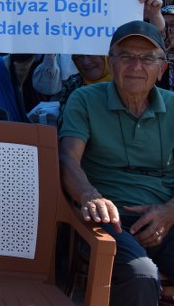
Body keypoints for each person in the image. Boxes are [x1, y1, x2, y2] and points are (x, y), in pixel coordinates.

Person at [59, 20, 174, 306]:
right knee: (141, 275)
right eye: (126, 56)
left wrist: (169, 211)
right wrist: (89, 195)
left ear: (162, 68)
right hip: (110, 219)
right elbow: (68, 159)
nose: (136, 66)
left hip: (166, 218)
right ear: (111, 62)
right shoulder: (85, 99)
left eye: (147, 58)